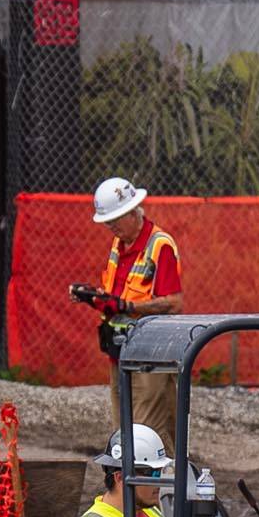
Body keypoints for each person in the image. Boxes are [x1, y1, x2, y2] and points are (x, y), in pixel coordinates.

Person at [73, 177, 185, 441]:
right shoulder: (118, 245)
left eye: (115, 220)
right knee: (123, 431)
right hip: (120, 350)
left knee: (150, 432)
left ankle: (167, 479)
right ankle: (129, 481)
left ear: (133, 212)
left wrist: (127, 306)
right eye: (107, 223)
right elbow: (119, 295)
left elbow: (173, 303)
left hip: (151, 353)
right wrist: (95, 298)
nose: (111, 228)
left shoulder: (159, 245)